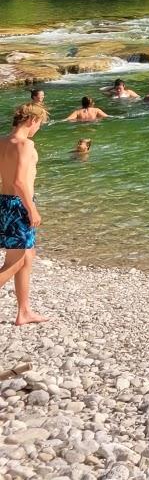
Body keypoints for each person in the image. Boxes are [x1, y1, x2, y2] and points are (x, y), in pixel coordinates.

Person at [0, 102, 49, 326]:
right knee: (15, 262)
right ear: (31, 120)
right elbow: (20, 181)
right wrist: (32, 209)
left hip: (4, 202)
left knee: (27, 256)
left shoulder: (2, 141)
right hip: (20, 204)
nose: (37, 128)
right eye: (39, 124)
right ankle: (24, 311)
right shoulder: (25, 144)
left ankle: (24, 312)